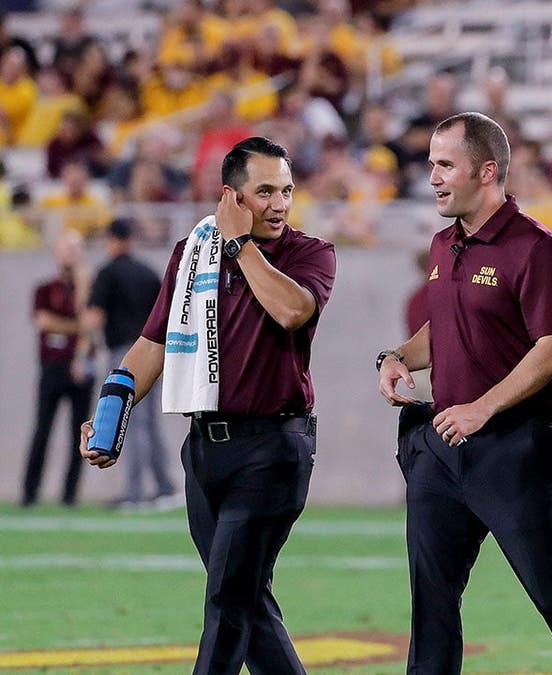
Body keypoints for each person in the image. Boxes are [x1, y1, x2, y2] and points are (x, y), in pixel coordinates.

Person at [376, 112, 552, 675]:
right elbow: (442, 329)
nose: (433, 178)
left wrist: (482, 407)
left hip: (516, 449)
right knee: (432, 605)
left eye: (446, 165)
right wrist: (396, 358)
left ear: (487, 171)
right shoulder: (444, 244)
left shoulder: (536, 248)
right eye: (430, 164)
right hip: (443, 448)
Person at [79, 136, 336, 675]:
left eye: (286, 190)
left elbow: (292, 311)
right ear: (230, 197)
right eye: (264, 191)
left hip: (273, 448)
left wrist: (241, 246)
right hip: (204, 453)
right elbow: (153, 343)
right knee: (247, 604)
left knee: (226, 604)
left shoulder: (309, 253)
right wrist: (111, 412)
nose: (280, 204)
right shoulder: (191, 253)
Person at [81, 218, 178, 510]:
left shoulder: (107, 273)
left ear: (112, 240)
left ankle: (135, 492)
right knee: (147, 423)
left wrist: (86, 351)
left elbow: (94, 318)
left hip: (124, 356)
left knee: (126, 422)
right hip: (153, 353)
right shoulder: (147, 273)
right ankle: (165, 488)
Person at [22, 229, 92, 507]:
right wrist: (76, 327)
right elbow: (44, 322)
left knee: (80, 433)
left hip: (79, 369)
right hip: (52, 367)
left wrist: (83, 286)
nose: (70, 254)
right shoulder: (44, 289)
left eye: (76, 249)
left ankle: (70, 494)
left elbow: (90, 322)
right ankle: (29, 492)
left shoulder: (86, 287)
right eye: (66, 248)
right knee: (42, 430)